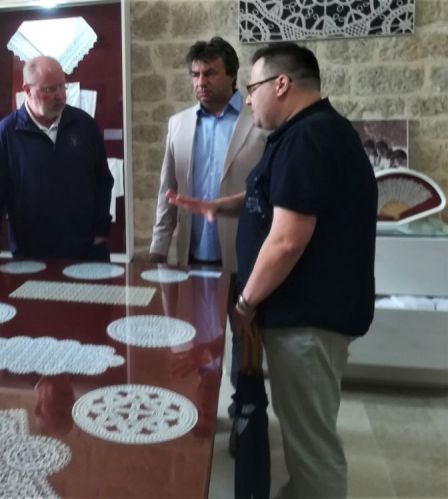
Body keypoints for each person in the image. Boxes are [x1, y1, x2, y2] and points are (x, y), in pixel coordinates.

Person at [170, 42, 377, 498]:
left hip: (308, 319)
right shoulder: (308, 131)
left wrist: (246, 303)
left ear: (281, 84)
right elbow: (273, 196)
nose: (248, 100)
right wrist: (219, 206)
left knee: (312, 444)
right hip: (307, 315)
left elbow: (286, 240)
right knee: (305, 434)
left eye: (252, 88)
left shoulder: (308, 139)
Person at [149, 37, 266, 451]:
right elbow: (167, 189)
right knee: (201, 339)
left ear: (232, 75)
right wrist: (159, 245)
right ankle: (202, 405)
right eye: (195, 74)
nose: (201, 82)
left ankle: (244, 414)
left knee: (245, 341)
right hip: (195, 255)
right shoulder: (179, 124)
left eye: (210, 73)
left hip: (245, 256)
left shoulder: (258, 121)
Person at [0, 55, 114, 265]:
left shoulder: (84, 126)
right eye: (50, 89)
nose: (60, 96)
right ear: (27, 90)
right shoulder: (6, 135)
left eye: (62, 87)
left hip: (86, 250)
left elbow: (103, 181)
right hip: (31, 254)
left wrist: (101, 231)